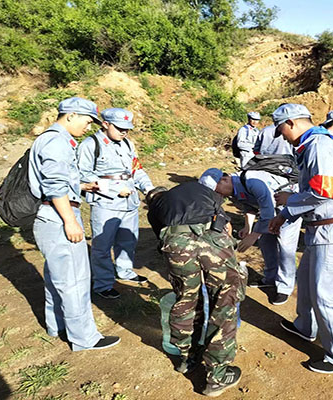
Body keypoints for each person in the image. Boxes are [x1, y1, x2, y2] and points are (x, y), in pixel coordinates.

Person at [268, 103, 333, 374]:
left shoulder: (318, 146)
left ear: (291, 124)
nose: (284, 138)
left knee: (325, 295)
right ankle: (305, 326)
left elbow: (323, 192)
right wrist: (286, 213)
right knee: (308, 281)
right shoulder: (315, 144)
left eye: (282, 132)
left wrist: (289, 201)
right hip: (323, 228)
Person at [28, 97, 120, 351]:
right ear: (70, 115)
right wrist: (70, 221)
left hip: (52, 213)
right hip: (58, 216)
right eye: (87, 120)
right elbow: (54, 186)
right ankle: (84, 338)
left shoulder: (51, 139)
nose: (89, 126)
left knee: (57, 277)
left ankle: (56, 325)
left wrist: (81, 186)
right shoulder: (57, 142)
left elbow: (58, 181)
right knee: (75, 280)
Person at [146, 169, 246, 396]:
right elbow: (225, 222)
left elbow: (162, 243)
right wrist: (229, 246)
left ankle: (186, 359)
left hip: (177, 244)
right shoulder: (194, 188)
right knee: (224, 302)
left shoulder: (155, 212)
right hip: (212, 239)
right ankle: (217, 376)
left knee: (186, 300)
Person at [77, 108, 154, 299]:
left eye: (127, 129)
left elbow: (136, 169)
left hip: (129, 201)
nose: (124, 132)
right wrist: (113, 188)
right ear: (105, 124)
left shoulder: (127, 143)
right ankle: (103, 283)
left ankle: (125, 271)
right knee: (102, 245)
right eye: (120, 128)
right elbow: (82, 175)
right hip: (106, 203)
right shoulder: (90, 145)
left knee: (128, 239)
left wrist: (149, 189)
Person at [213, 170, 301, 305]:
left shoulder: (252, 181)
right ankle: (270, 278)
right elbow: (250, 207)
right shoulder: (234, 188)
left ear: (224, 180)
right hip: (272, 212)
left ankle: (285, 286)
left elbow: (268, 210)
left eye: (216, 190)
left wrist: (254, 235)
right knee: (265, 241)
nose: (218, 194)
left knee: (285, 246)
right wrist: (248, 228)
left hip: (287, 209)